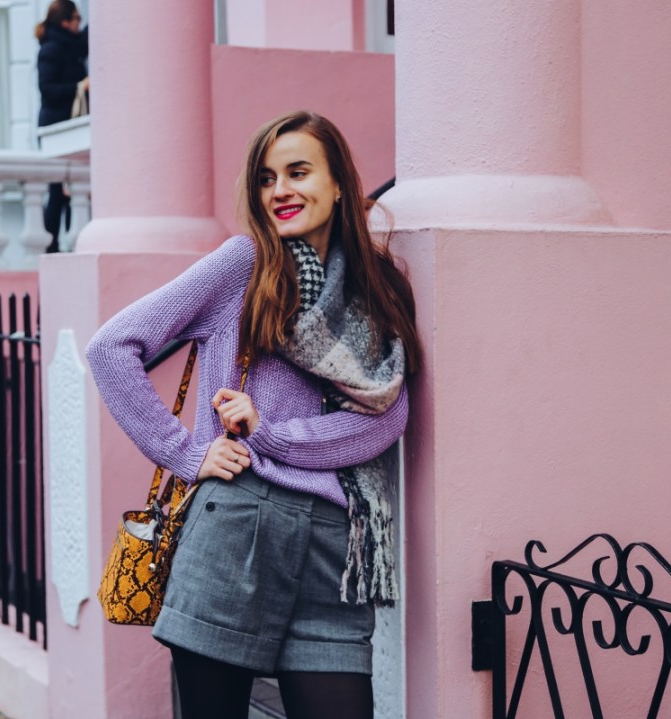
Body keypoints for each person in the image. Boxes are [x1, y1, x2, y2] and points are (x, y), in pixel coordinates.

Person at [86, 111, 421, 719]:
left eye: (298, 172)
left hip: (334, 550)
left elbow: (385, 420)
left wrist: (270, 433)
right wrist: (186, 454)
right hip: (237, 524)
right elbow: (111, 348)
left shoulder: (376, 288)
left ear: (340, 181)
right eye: (267, 179)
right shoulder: (244, 265)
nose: (281, 191)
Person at [35, 0, 88, 252]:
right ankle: (51, 247)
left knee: (71, 191)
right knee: (57, 192)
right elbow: (47, 90)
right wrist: (80, 87)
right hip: (55, 129)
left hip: (69, 127)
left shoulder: (70, 46)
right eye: (77, 18)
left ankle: (64, 246)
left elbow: (87, 40)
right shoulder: (52, 49)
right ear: (65, 21)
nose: (81, 23)